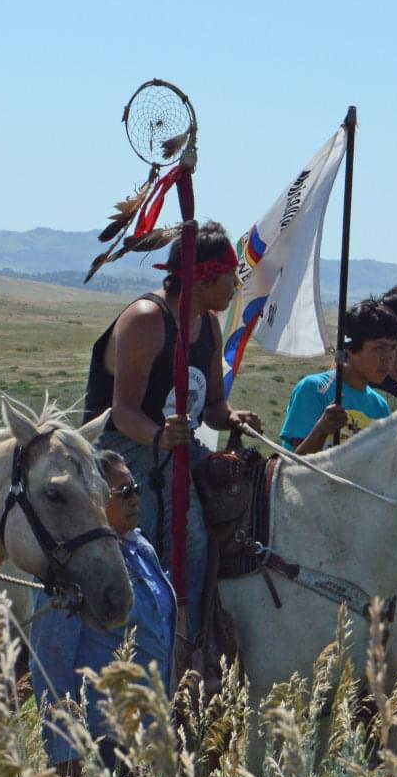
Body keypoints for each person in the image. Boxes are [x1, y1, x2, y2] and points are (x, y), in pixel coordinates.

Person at [82, 220, 262, 630]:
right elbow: (123, 411)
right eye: (230, 277)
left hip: (177, 444)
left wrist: (233, 417)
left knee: (240, 499)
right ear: (204, 279)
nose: (235, 285)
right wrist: (160, 436)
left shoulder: (209, 325)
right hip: (122, 449)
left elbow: (213, 405)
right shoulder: (147, 319)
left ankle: (202, 632)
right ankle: (158, 638)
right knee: (185, 538)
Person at [28, 451, 174, 777]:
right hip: (101, 740)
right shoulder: (72, 570)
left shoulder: (142, 549)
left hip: (147, 732)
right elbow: (49, 661)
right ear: (92, 500)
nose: (134, 498)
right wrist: (64, 751)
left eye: (135, 488)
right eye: (122, 491)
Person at [278, 298, 397, 454]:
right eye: (380, 347)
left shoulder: (380, 406)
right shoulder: (314, 389)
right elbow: (297, 467)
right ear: (350, 348)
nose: (388, 357)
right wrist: (321, 430)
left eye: (393, 348)